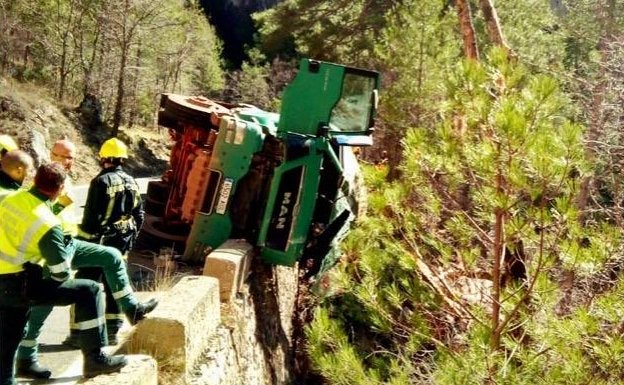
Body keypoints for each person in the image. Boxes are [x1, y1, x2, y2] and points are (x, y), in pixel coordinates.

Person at [13, 140, 157, 379]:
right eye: (61, 156)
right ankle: (27, 358)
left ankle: (133, 310)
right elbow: (41, 217)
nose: (66, 161)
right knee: (45, 306)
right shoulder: (45, 180)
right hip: (52, 246)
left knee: (110, 258)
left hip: (72, 242)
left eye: (70, 157)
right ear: (51, 154)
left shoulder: (69, 180)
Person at [0, 163, 128, 385]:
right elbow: (60, 275)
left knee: (9, 335)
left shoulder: (10, 198)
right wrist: (65, 252)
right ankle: (94, 359)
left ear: (34, 180)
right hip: (17, 284)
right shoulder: (47, 224)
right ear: (59, 188)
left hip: (5, 282)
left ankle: (10, 376)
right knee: (89, 290)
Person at [68, 137, 145, 346]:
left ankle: (78, 334)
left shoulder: (100, 181)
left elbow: (91, 218)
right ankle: (112, 331)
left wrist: (81, 242)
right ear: (122, 159)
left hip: (98, 242)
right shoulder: (132, 181)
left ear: (103, 158)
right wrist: (129, 237)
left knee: (85, 284)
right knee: (115, 284)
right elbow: (139, 214)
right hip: (121, 242)